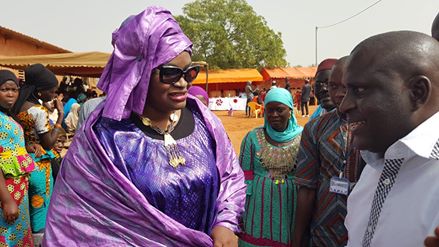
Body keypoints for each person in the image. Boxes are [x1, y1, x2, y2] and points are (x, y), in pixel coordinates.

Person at [43, 7, 246, 246]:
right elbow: (79, 227)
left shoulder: (204, 120)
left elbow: (230, 177)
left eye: (190, 72)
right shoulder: (103, 140)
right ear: (138, 74)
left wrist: (225, 222)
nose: (183, 83)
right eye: (170, 73)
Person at [339, 31, 439, 247]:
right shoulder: (374, 166)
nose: (344, 105)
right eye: (347, 90)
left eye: (360, 90)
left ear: (417, 93)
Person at [293, 57, 365, 247]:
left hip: (366, 225)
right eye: (333, 87)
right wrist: (298, 238)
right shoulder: (315, 128)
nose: (339, 93)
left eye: (345, 86)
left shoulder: (377, 125)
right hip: (324, 230)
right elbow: (307, 187)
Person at [238, 88, 302, 246]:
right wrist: (242, 210)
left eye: (280, 110)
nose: (274, 115)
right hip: (257, 206)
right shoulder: (252, 137)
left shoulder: (304, 137)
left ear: (290, 110)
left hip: (290, 203)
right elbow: (244, 175)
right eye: (269, 110)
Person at [12, 63, 64, 234]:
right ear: (40, 91)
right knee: (40, 208)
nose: (54, 95)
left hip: (22, 161)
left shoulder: (17, 106)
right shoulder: (38, 111)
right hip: (39, 164)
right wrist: (59, 118)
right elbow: (48, 143)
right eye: (52, 91)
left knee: (29, 205)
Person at [0, 70, 36, 246]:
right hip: (5, 191)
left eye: (14, 89)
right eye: (5, 89)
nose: (10, 94)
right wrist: (6, 200)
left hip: (18, 191)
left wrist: (27, 148)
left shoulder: (8, 116)